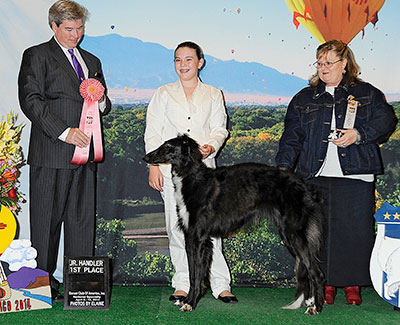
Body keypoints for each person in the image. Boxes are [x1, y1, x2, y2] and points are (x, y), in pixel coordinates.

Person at [275, 40, 397, 306]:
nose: (323, 68)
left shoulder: (367, 93)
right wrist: (282, 171)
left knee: (355, 231)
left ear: (344, 64)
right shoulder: (304, 98)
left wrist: (359, 134)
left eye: (329, 62)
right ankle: (326, 283)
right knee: (319, 233)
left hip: (356, 175)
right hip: (314, 175)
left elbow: (387, 119)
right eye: (319, 63)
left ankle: (353, 285)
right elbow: (291, 138)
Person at [18, 0, 111, 302]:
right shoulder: (36, 56)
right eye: (69, 29)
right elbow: (31, 101)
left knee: (82, 222)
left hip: (87, 155)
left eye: (80, 28)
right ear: (54, 26)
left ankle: (80, 288)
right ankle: (39, 291)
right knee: (45, 223)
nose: (76, 35)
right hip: (51, 152)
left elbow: (102, 103)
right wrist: (64, 131)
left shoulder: (92, 60)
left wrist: (102, 102)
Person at [144, 41, 237, 304]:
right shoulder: (162, 93)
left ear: (200, 62)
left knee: (211, 229)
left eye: (188, 59)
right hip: (172, 175)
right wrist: (154, 166)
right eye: (177, 60)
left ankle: (220, 284)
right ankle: (183, 282)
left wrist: (211, 146)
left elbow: (221, 128)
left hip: (206, 175)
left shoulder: (213, 93)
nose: (182, 65)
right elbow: (153, 133)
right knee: (177, 229)